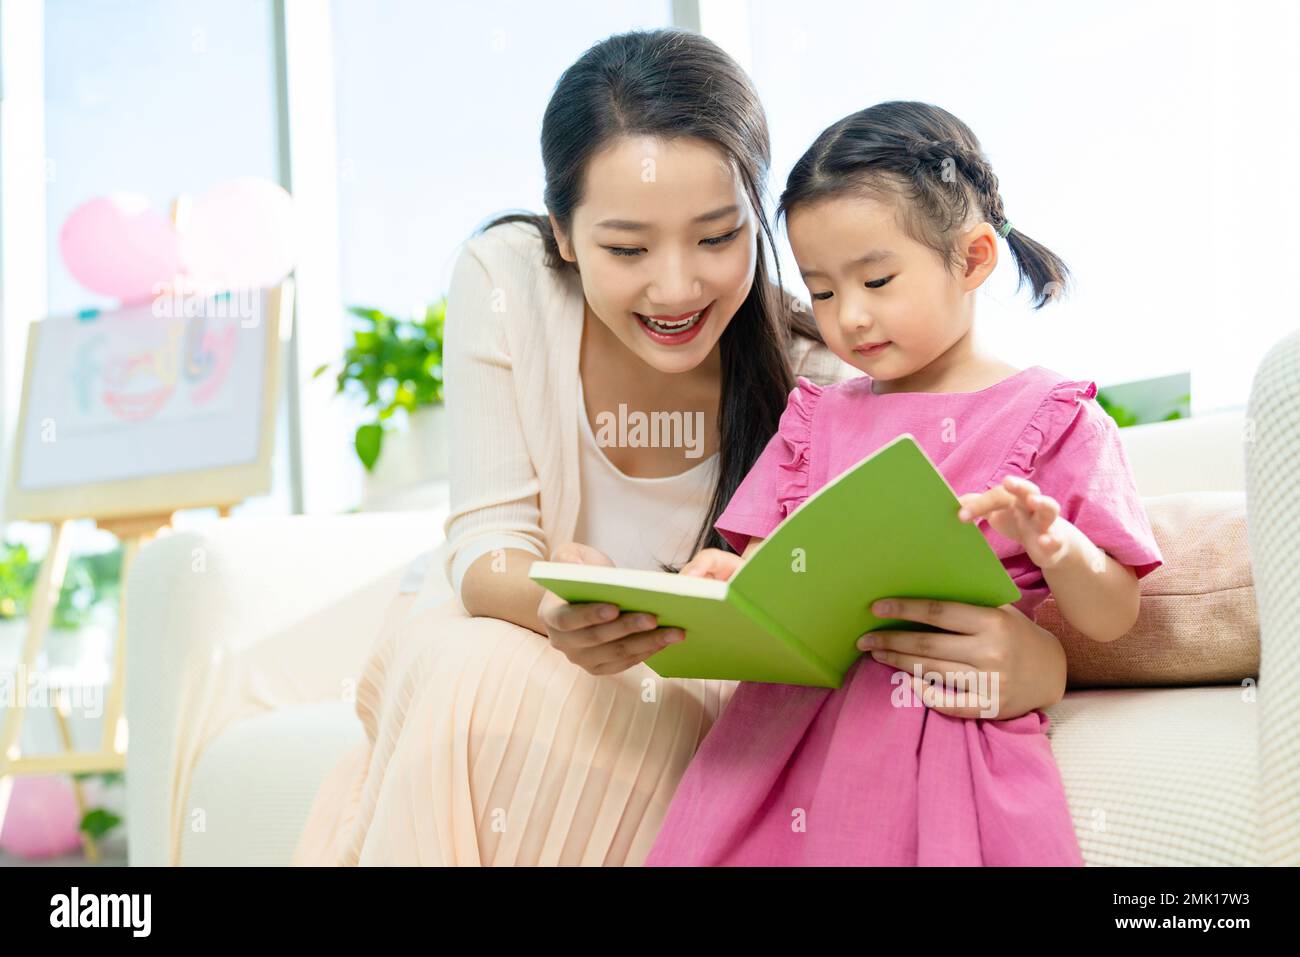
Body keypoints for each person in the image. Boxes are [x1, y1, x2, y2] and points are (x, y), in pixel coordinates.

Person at [291, 36, 1078, 866]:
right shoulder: (506, 278)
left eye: (715, 238)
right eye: (627, 249)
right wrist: (561, 612)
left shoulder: (818, 362)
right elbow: (486, 545)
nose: (676, 288)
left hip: (692, 690)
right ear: (562, 233)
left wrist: (1043, 658)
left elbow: (936, 554)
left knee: (492, 682)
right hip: (515, 629)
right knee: (471, 664)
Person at [644, 101, 1164, 866]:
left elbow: (1115, 612)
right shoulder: (812, 419)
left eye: (877, 279)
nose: (848, 318)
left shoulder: (1053, 417)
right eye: (821, 292)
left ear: (973, 259)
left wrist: (1058, 545)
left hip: (944, 721)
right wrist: (727, 578)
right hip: (783, 741)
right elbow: (769, 578)